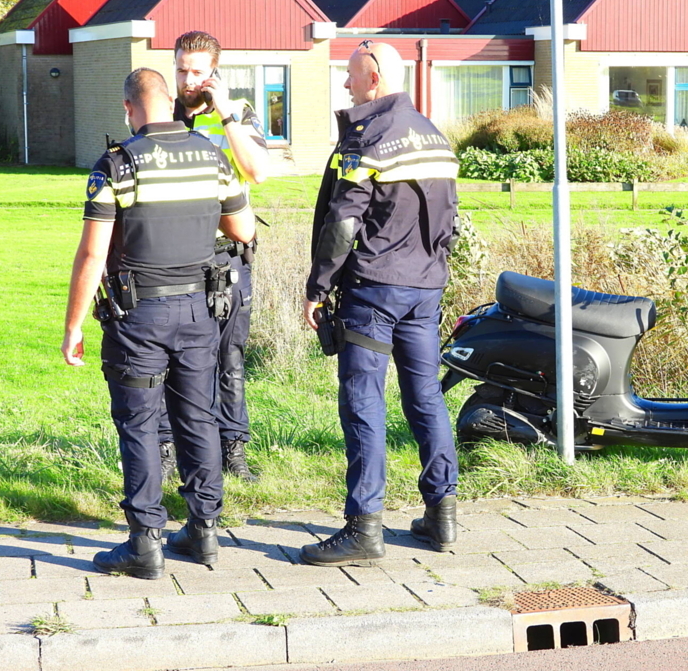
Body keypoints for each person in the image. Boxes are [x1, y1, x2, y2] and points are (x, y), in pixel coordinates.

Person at [62, 67, 255, 579]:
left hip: (137, 315)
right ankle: (204, 531)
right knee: (200, 418)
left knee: (141, 424)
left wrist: (73, 326)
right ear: (169, 103)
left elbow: (91, 253)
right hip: (200, 311)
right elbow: (242, 226)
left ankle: (145, 543)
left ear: (129, 108)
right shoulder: (211, 156)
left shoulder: (117, 164)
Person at [300, 41, 461, 567]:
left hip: (374, 291)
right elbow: (450, 221)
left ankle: (363, 528)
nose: (346, 86)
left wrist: (318, 286)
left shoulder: (365, 141)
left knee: (362, 403)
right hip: (424, 288)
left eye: (349, 76)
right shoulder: (436, 136)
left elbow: (344, 222)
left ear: (372, 77)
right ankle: (442, 515)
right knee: (426, 398)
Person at [158, 30, 270, 483]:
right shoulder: (159, 113)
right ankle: (166, 450)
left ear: (215, 73)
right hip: (169, 256)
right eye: (182, 69)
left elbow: (258, 171)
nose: (188, 79)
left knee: (230, 358)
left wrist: (225, 115)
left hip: (226, 257)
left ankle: (233, 449)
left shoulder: (239, 113)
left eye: (198, 72)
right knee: (166, 359)